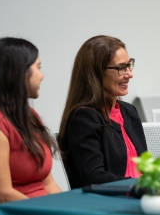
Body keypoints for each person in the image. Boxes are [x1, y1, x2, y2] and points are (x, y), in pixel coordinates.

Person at [0, 37, 62, 203]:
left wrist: (70, 211)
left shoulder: (29, 115)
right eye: (38, 67)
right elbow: (3, 195)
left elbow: (49, 184)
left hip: (42, 214)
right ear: (19, 72)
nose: (42, 75)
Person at [58, 35, 147, 189]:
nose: (129, 74)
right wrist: (139, 185)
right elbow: (95, 178)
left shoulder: (129, 111)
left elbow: (143, 166)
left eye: (129, 65)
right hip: (108, 204)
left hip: (138, 196)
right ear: (96, 73)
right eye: (120, 68)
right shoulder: (83, 118)